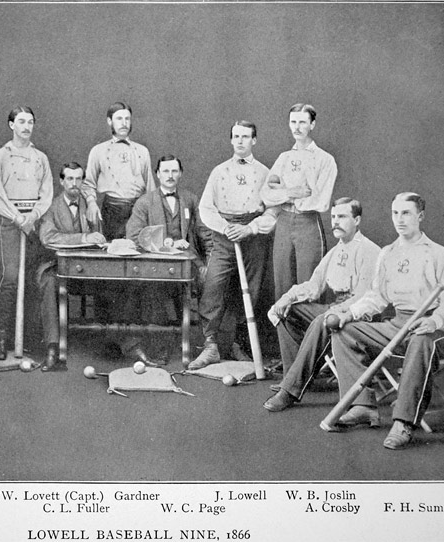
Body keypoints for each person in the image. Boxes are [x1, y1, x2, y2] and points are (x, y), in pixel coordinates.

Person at [329, 193, 444, 450]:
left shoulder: (439, 254)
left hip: (434, 328)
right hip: (398, 324)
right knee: (344, 331)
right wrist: (350, 314)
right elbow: (377, 298)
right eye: (395, 213)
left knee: (421, 341)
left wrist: (433, 322)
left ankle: (403, 422)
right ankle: (362, 406)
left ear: (420, 217)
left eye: (407, 213)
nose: (399, 219)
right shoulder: (388, 253)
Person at [262, 197, 380, 412]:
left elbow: (364, 296)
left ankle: (291, 389)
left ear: (357, 220)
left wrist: (339, 310)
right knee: (287, 312)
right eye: (333, 217)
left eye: (342, 217)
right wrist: (288, 297)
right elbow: (314, 285)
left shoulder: (370, 250)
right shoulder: (336, 251)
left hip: (359, 314)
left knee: (320, 321)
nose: (335, 222)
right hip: (336, 307)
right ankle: (294, 374)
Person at [189, 121, 278, 370]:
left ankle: (240, 343)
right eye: (236, 136)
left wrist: (249, 229)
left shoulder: (265, 173)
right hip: (223, 234)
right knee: (212, 285)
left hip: (253, 237)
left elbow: (273, 211)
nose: (240, 141)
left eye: (245, 136)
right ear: (231, 140)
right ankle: (210, 346)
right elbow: (206, 207)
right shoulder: (219, 172)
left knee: (251, 289)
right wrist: (225, 227)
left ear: (254, 140)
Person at [125, 155, 213, 360]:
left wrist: (209, 260)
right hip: (156, 262)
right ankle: (160, 346)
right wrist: (167, 243)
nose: (170, 176)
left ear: (180, 173)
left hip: (188, 260)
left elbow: (204, 232)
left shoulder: (190, 199)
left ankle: (210, 344)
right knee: (155, 291)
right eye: (165, 171)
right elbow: (134, 235)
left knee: (210, 281)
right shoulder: (145, 202)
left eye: (174, 171)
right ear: (157, 174)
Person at [0, 106, 53, 360]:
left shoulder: (40, 158)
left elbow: (46, 192)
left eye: (30, 122)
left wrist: (33, 217)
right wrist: (17, 218)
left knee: (32, 279)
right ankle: (2, 338)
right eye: (21, 122)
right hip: (7, 221)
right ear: (11, 125)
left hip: (33, 222)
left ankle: (27, 338)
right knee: (10, 278)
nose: (26, 127)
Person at [260, 103, 337, 302]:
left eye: (302, 122)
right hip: (283, 223)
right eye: (293, 122)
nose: (297, 127)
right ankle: (286, 334)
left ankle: (309, 334)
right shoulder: (284, 158)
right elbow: (267, 194)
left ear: (312, 124)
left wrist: (283, 193)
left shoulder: (325, 160)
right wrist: (293, 192)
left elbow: (320, 202)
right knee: (282, 286)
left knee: (309, 285)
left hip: (308, 224)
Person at [37, 163, 106, 371]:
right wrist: (84, 237)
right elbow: (48, 238)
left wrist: (97, 236)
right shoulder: (51, 206)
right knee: (49, 284)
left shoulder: (89, 205)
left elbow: (99, 237)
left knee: (112, 281)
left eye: (78, 179)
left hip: (87, 268)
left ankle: (114, 342)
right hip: (56, 265)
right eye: (69, 179)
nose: (74, 184)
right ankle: (52, 348)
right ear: (61, 181)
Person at [82, 102, 156, 241]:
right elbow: (88, 184)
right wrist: (91, 203)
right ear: (109, 121)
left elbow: (150, 187)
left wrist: (152, 213)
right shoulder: (98, 151)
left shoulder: (142, 151)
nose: (124, 123)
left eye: (127, 119)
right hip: (112, 212)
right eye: (119, 119)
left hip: (138, 210)